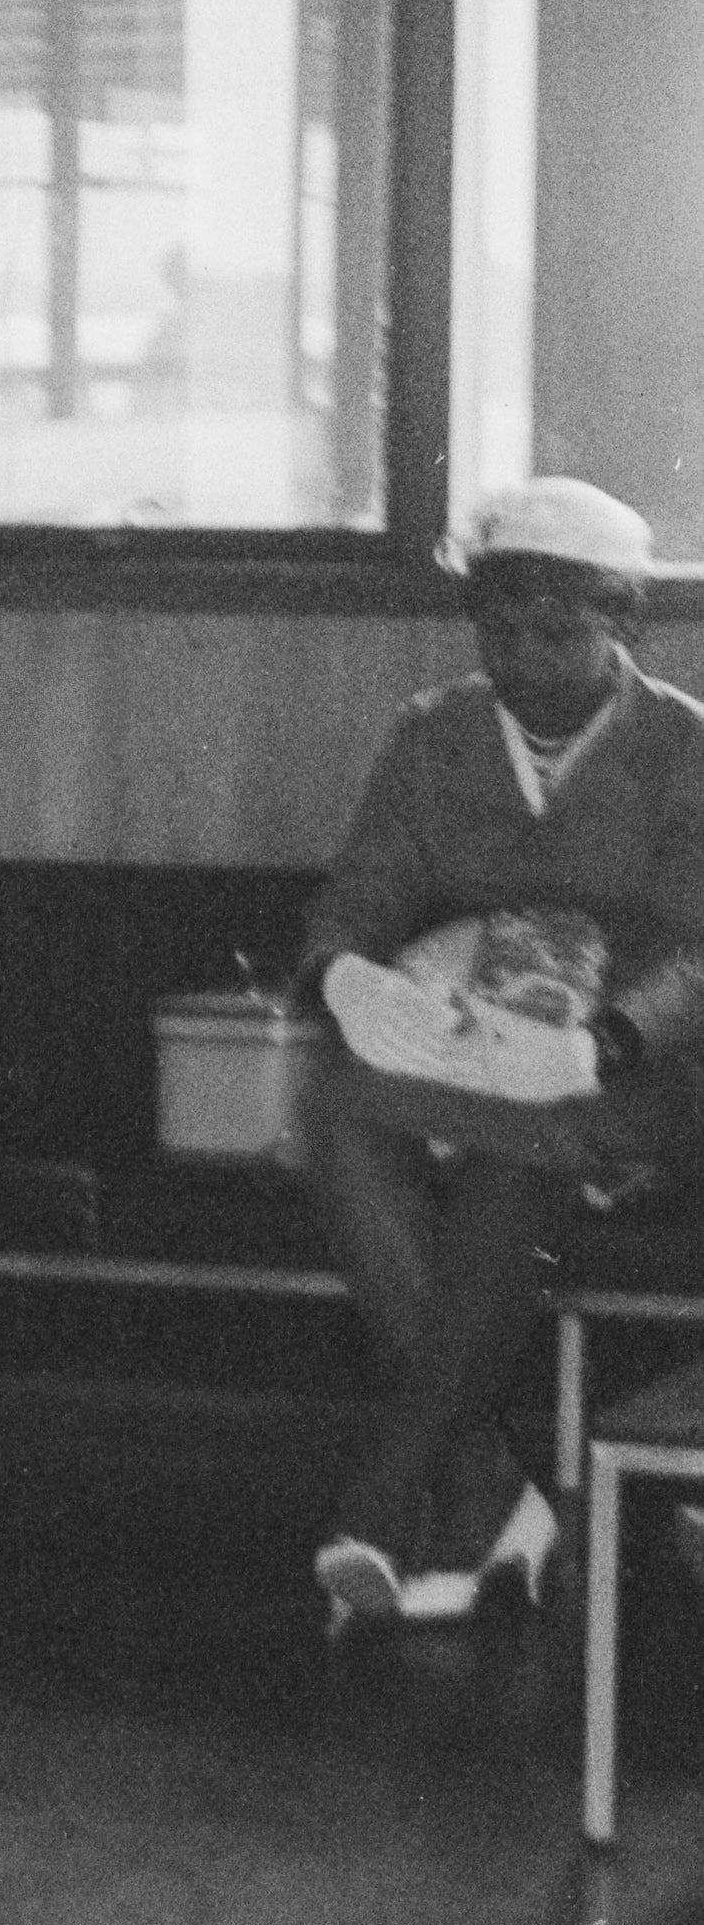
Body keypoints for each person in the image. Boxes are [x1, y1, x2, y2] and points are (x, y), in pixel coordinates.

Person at [297, 474, 704, 1628]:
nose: (522, 658)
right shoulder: (436, 736)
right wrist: (351, 980)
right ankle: (484, 1491)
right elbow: (352, 906)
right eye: (498, 629)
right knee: (339, 1105)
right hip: (469, 1057)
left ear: (624, 625)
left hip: (634, 1082)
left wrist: (601, 1045)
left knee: (508, 1155)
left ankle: (392, 1500)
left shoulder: (684, 747)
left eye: (558, 632)